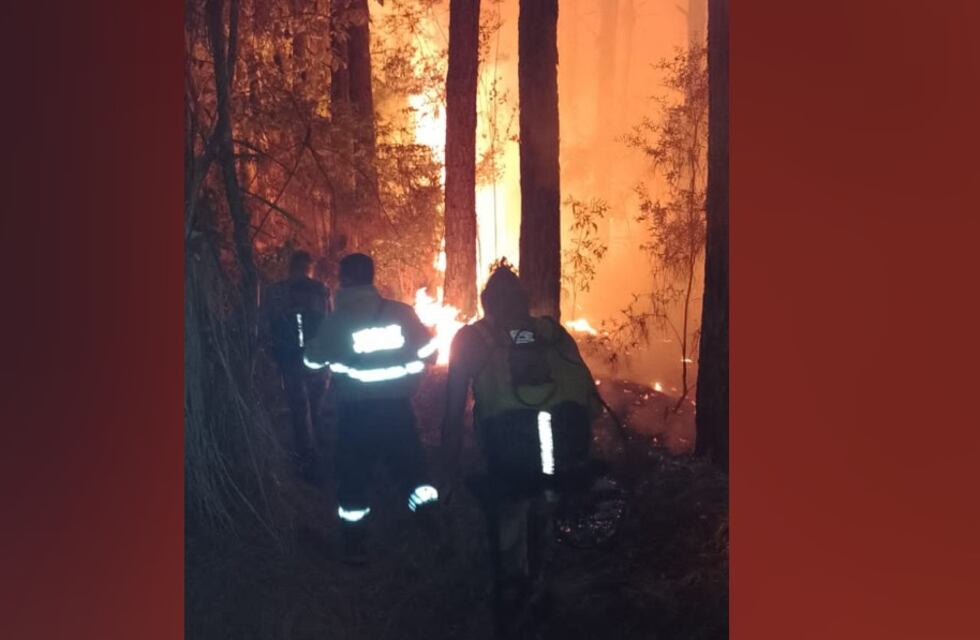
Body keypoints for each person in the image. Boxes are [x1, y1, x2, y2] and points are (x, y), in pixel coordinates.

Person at [440, 264, 601, 637]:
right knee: (546, 503)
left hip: (509, 453)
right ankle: (545, 585)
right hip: (565, 448)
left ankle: (514, 596)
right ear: (525, 302)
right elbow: (589, 400)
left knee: (510, 515)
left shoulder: (470, 338)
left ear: (486, 304)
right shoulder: (553, 332)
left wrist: (448, 470)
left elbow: (452, 412)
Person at [303, 253, 440, 564]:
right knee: (411, 469)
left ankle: (355, 546)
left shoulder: (336, 321)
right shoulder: (401, 313)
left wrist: (315, 346)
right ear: (371, 277)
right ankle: (432, 528)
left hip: (356, 416)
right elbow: (430, 352)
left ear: (345, 280)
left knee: (353, 477)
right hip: (398, 411)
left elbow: (311, 361)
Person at [259, 250, 331, 484]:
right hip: (314, 357)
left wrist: (270, 352)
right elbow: (328, 320)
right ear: (309, 267)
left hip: (288, 357)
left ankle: (307, 455)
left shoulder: (275, 291)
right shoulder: (320, 289)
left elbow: (264, 322)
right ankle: (314, 452)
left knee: (299, 407)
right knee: (314, 405)